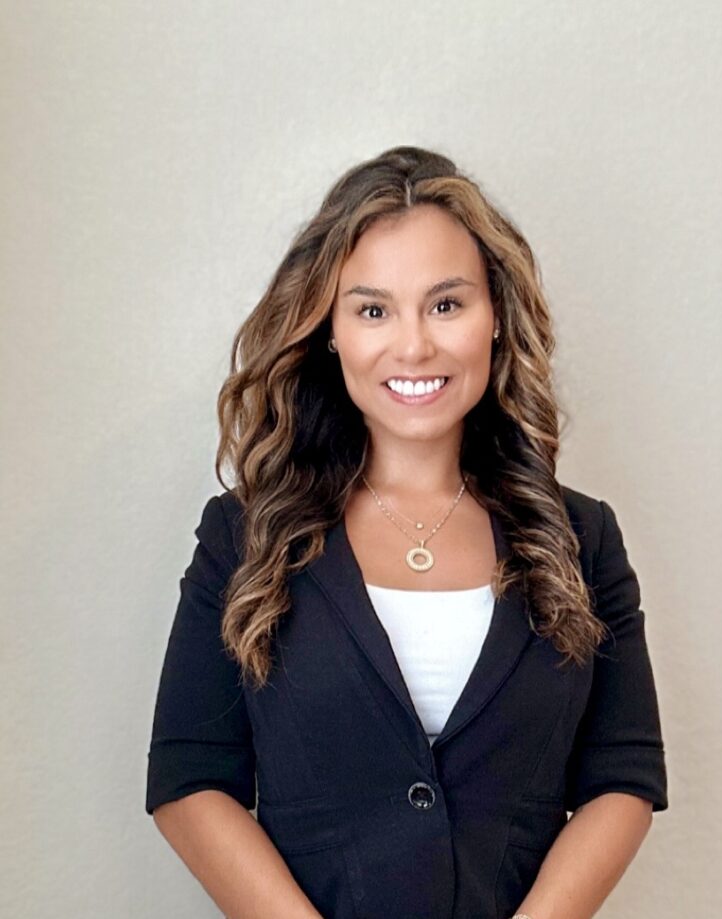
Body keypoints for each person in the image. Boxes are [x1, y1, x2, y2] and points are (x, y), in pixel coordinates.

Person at [145, 146, 668, 919]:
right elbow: (190, 778)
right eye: (373, 308)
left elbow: (623, 773)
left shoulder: (582, 537)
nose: (414, 344)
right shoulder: (244, 536)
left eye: (447, 304)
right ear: (330, 330)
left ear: (496, 318)